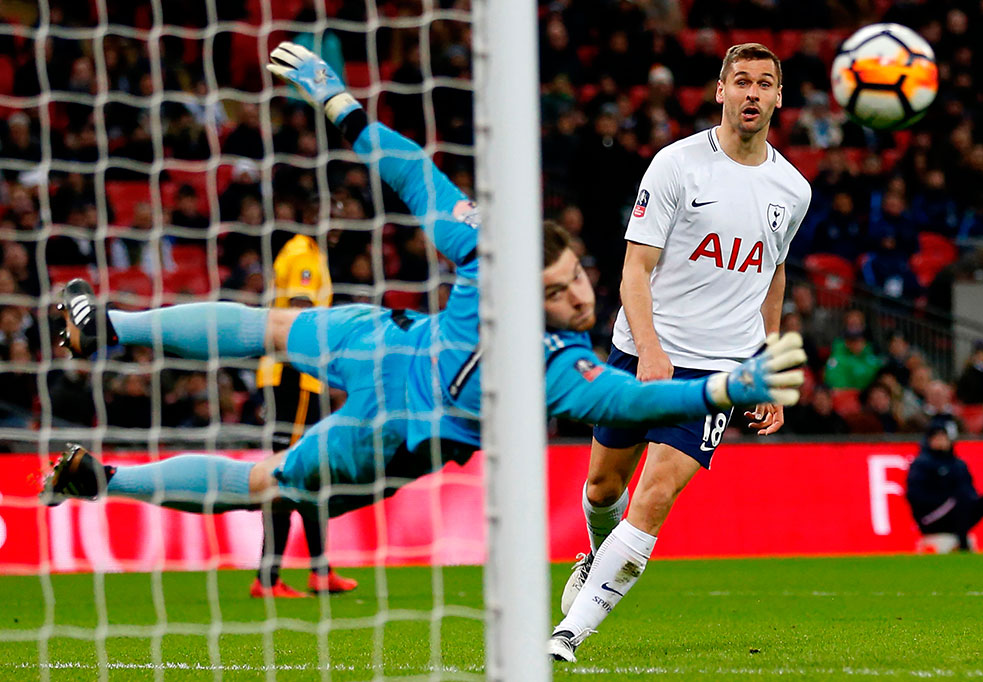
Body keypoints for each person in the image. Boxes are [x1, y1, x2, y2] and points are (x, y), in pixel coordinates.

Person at [42, 44, 808, 555]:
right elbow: (629, 399)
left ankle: (108, 327)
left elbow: (411, 174)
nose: (583, 292)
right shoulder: (550, 366)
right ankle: (107, 469)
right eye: (567, 287)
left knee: (264, 328)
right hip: (404, 424)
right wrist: (726, 386)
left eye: (577, 278)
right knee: (264, 482)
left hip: (391, 340)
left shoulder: (488, 252)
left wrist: (342, 108)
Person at [551, 43, 812, 663]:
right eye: (741, 81)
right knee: (600, 488)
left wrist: (766, 363)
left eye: (765, 84)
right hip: (644, 352)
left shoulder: (792, 190)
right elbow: (634, 271)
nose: (752, 93)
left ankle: (570, 634)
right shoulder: (676, 165)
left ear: (779, 98)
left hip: (717, 372)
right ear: (720, 91)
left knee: (657, 492)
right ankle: (594, 556)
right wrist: (649, 350)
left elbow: (773, 277)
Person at [250, 234, 357, 598]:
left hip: (299, 379)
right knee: (288, 472)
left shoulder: (298, 252)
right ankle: (268, 578)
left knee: (310, 473)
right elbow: (300, 314)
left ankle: (320, 570)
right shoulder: (303, 254)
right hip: (294, 377)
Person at [905, 422, 983, 552]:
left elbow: (970, 490)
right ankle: (963, 546)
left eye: (944, 437)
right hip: (932, 518)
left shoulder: (958, 464)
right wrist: (945, 499)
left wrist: (971, 500)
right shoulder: (921, 464)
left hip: (960, 512)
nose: (941, 441)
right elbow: (914, 495)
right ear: (929, 441)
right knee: (958, 498)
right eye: (937, 438)